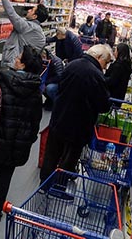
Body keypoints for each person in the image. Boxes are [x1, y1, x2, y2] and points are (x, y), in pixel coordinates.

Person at [0, 45, 45, 226]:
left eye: (19, 57)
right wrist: (29, 140)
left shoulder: (2, 81)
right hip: (17, 144)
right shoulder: (36, 92)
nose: (15, 58)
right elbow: (35, 120)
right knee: (5, 178)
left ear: (23, 65)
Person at [40, 44, 114, 183]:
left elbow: (60, 87)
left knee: (52, 153)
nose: (105, 67)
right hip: (79, 125)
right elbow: (103, 104)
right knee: (69, 158)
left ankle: (44, 183)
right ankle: (59, 186)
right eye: (106, 62)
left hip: (59, 117)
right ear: (98, 57)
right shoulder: (96, 75)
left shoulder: (72, 65)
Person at [0, 0, 48, 69]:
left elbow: (11, 13)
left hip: (15, 65)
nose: (29, 10)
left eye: (32, 10)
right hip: (21, 66)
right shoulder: (36, 29)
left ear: (35, 16)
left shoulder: (29, 27)